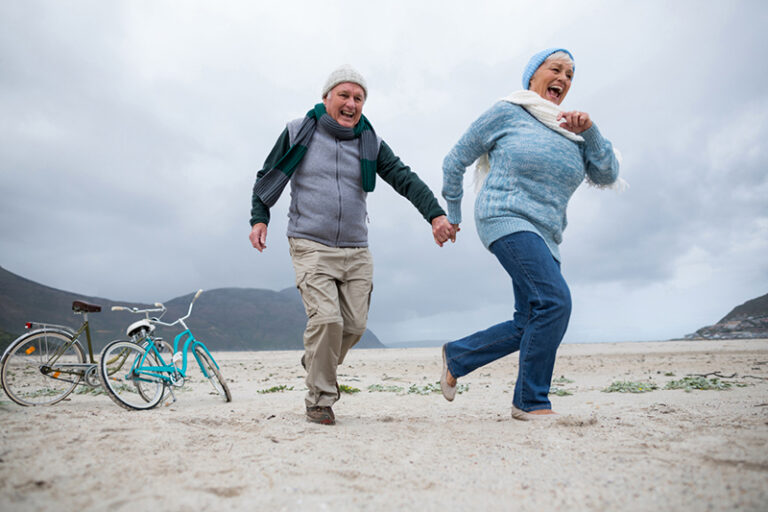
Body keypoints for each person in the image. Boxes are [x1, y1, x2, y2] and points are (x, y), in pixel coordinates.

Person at [250, 65, 455, 425]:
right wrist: (259, 217)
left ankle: (317, 360)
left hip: (356, 248)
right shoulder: (298, 131)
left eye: (358, 98)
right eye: (344, 95)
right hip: (310, 242)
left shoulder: (369, 141)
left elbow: (403, 177)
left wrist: (435, 215)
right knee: (327, 320)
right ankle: (320, 400)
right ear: (326, 97)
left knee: (355, 326)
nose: (351, 103)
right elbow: (270, 174)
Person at [439, 48, 621, 420]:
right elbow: (454, 160)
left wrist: (590, 131)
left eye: (570, 75)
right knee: (555, 301)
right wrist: (453, 214)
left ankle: (458, 356)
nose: (563, 79)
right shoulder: (508, 111)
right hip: (504, 215)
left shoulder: (573, 131)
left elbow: (607, 174)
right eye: (556, 69)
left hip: (547, 233)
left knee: (530, 320)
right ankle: (530, 400)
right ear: (533, 76)